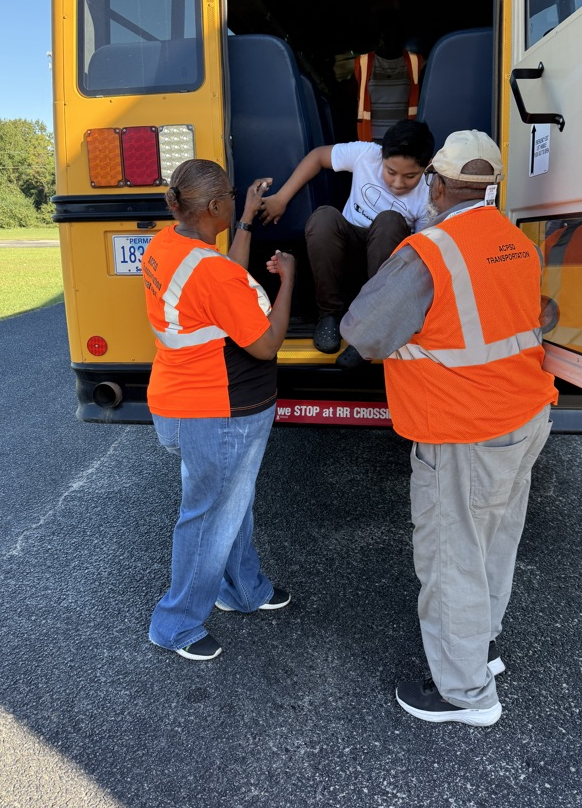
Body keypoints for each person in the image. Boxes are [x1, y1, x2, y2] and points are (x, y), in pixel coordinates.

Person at [340, 130, 558, 725]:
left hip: (463, 429)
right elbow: (533, 316)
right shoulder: (517, 244)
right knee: (493, 540)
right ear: (491, 189)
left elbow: (364, 332)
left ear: (436, 184)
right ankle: (479, 648)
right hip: (525, 415)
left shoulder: (428, 252)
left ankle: (464, 694)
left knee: (452, 556)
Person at [141, 158, 295, 661]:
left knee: (231, 503)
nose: (233, 198)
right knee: (208, 517)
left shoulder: (168, 245)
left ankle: (243, 590)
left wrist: (246, 217)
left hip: (181, 402)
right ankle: (176, 624)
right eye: (229, 195)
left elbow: (224, 275)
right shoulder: (211, 273)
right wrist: (288, 281)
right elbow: (266, 345)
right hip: (219, 411)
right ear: (211, 206)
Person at [260, 119, 435, 368]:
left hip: (386, 268)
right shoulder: (366, 154)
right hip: (345, 259)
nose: (397, 183)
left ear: (427, 167)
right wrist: (281, 197)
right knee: (324, 217)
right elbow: (318, 156)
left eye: (410, 176)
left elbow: (418, 255)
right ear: (381, 156)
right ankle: (329, 315)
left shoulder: (428, 191)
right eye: (390, 172)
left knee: (389, 220)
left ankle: (370, 329)